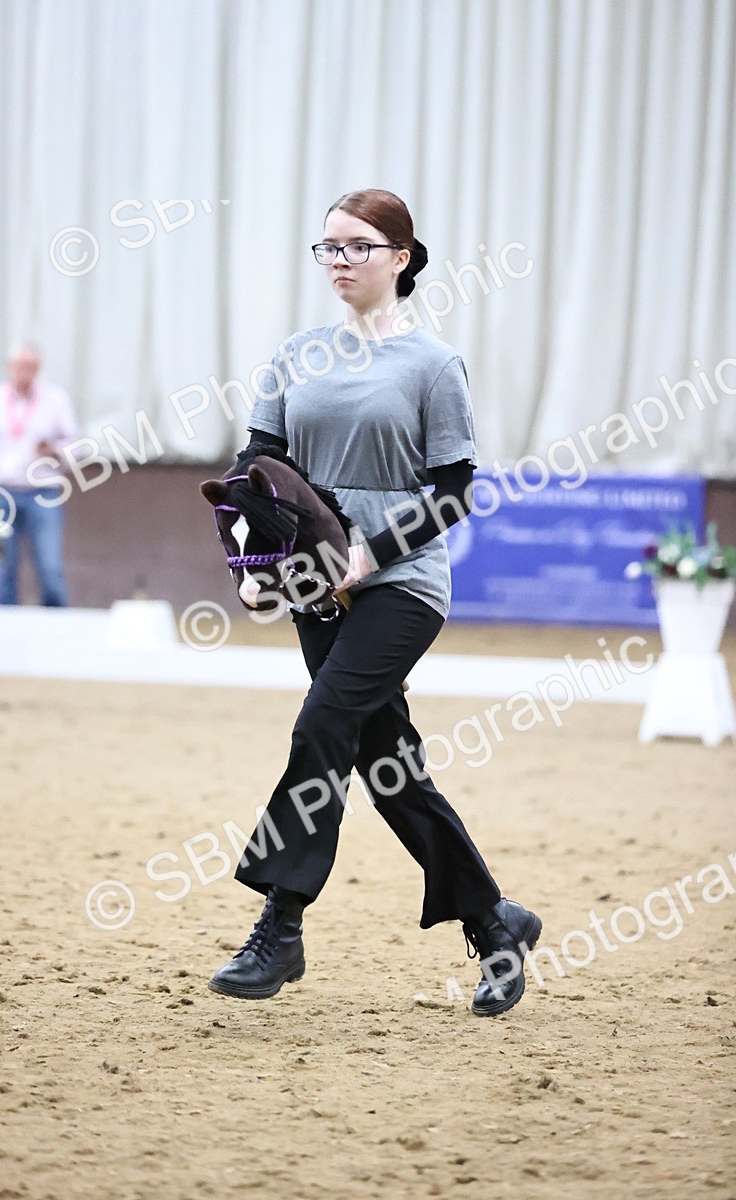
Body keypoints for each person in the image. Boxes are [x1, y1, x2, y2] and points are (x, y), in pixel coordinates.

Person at [209, 189, 542, 1017]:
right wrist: (256, 558)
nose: (340, 261)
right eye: (327, 248)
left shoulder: (433, 364)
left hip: (403, 583)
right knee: (389, 767)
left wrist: (367, 551)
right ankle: (496, 923)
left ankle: (280, 924)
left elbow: (456, 488)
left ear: (401, 257)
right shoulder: (294, 355)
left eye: (357, 246)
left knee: (323, 722)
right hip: (315, 585)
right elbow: (261, 464)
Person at [0, 343, 78, 606]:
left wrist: (54, 450)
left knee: (50, 567)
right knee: (2, 570)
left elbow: (75, 447)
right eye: (20, 366)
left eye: (31, 367)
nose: (25, 372)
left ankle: (57, 629)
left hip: (42, 492)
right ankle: (5, 636)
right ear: (10, 367)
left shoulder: (55, 399)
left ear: (38, 368)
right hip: (0, 491)